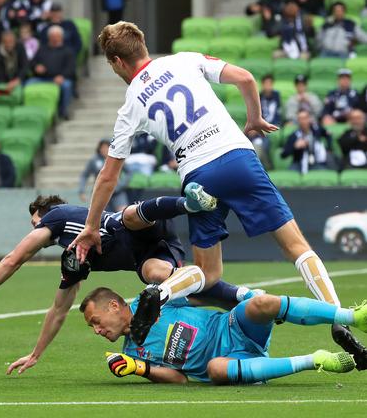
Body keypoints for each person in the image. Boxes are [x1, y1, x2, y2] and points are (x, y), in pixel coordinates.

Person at [67, 21, 367, 368]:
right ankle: (337, 319)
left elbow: (108, 175)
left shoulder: (131, 102)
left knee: (207, 273)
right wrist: (253, 119)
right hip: (237, 156)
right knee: (297, 246)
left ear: (117, 62)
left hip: (198, 175)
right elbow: (246, 78)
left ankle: (160, 292)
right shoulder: (184, 60)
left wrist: (91, 226)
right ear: (142, 44)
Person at [0, 191, 251, 376]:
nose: (34, 232)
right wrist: (36, 353)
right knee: (166, 280)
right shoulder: (73, 257)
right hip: (151, 253)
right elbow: (58, 309)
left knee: (128, 215)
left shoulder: (56, 218)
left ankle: (189, 203)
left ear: (47, 216)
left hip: (139, 226)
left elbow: (14, 258)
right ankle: (245, 297)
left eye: (35, 224)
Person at [81, 287, 363, 384]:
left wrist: (242, 297)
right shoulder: (130, 352)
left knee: (261, 303)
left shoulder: (155, 299)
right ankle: (316, 360)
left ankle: (352, 317)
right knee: (215, 369)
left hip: (231, 326)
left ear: (114, 306)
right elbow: (179, 379)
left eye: (96, 321)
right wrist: (139, 368)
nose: (97, 330)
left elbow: (203, 291)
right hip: (227, 360)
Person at [29, 25, 76, 120]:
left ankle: (63, 111)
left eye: (56, 36)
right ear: (49, 37)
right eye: (52, 36)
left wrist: (62, 76)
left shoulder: (68, 51)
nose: (54, 38)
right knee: (28, 83)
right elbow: (32, 63)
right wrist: (36, 67)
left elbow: (71, 69)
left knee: (67, 86)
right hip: (42, 78)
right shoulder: (42, 49)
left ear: (61, 37)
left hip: (60, 79)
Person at [79, 139, 131, 212]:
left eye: (107, 147)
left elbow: (129, 172)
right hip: (100, 192)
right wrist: (82, 190)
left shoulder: (117, 158)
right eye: (102, 148)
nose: (104, 150)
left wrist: (121, 184)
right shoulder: (94, 160)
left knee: (123, 212)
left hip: (116, 191)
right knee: (96, 214)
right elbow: (84, 175)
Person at [249, 74, 281, 169]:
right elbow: (253, 114)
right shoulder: (258, 96)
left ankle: (263, 166)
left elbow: (277, 116)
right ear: (262, 85)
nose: (268, 86)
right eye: (266, 83)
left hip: (272, 126)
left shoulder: (276, 96)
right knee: (251, 138)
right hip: (259, 126)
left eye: (270, 84)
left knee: (263, 143)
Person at [0, 30, 29, 100]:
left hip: (18, 79)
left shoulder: (20, 48)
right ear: (2, 42)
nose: (9, 44)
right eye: (6, 42)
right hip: (2, 80)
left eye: (11, 41)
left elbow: (25, 66)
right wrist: (7, 84)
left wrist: (17, 80)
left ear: (15, 41)